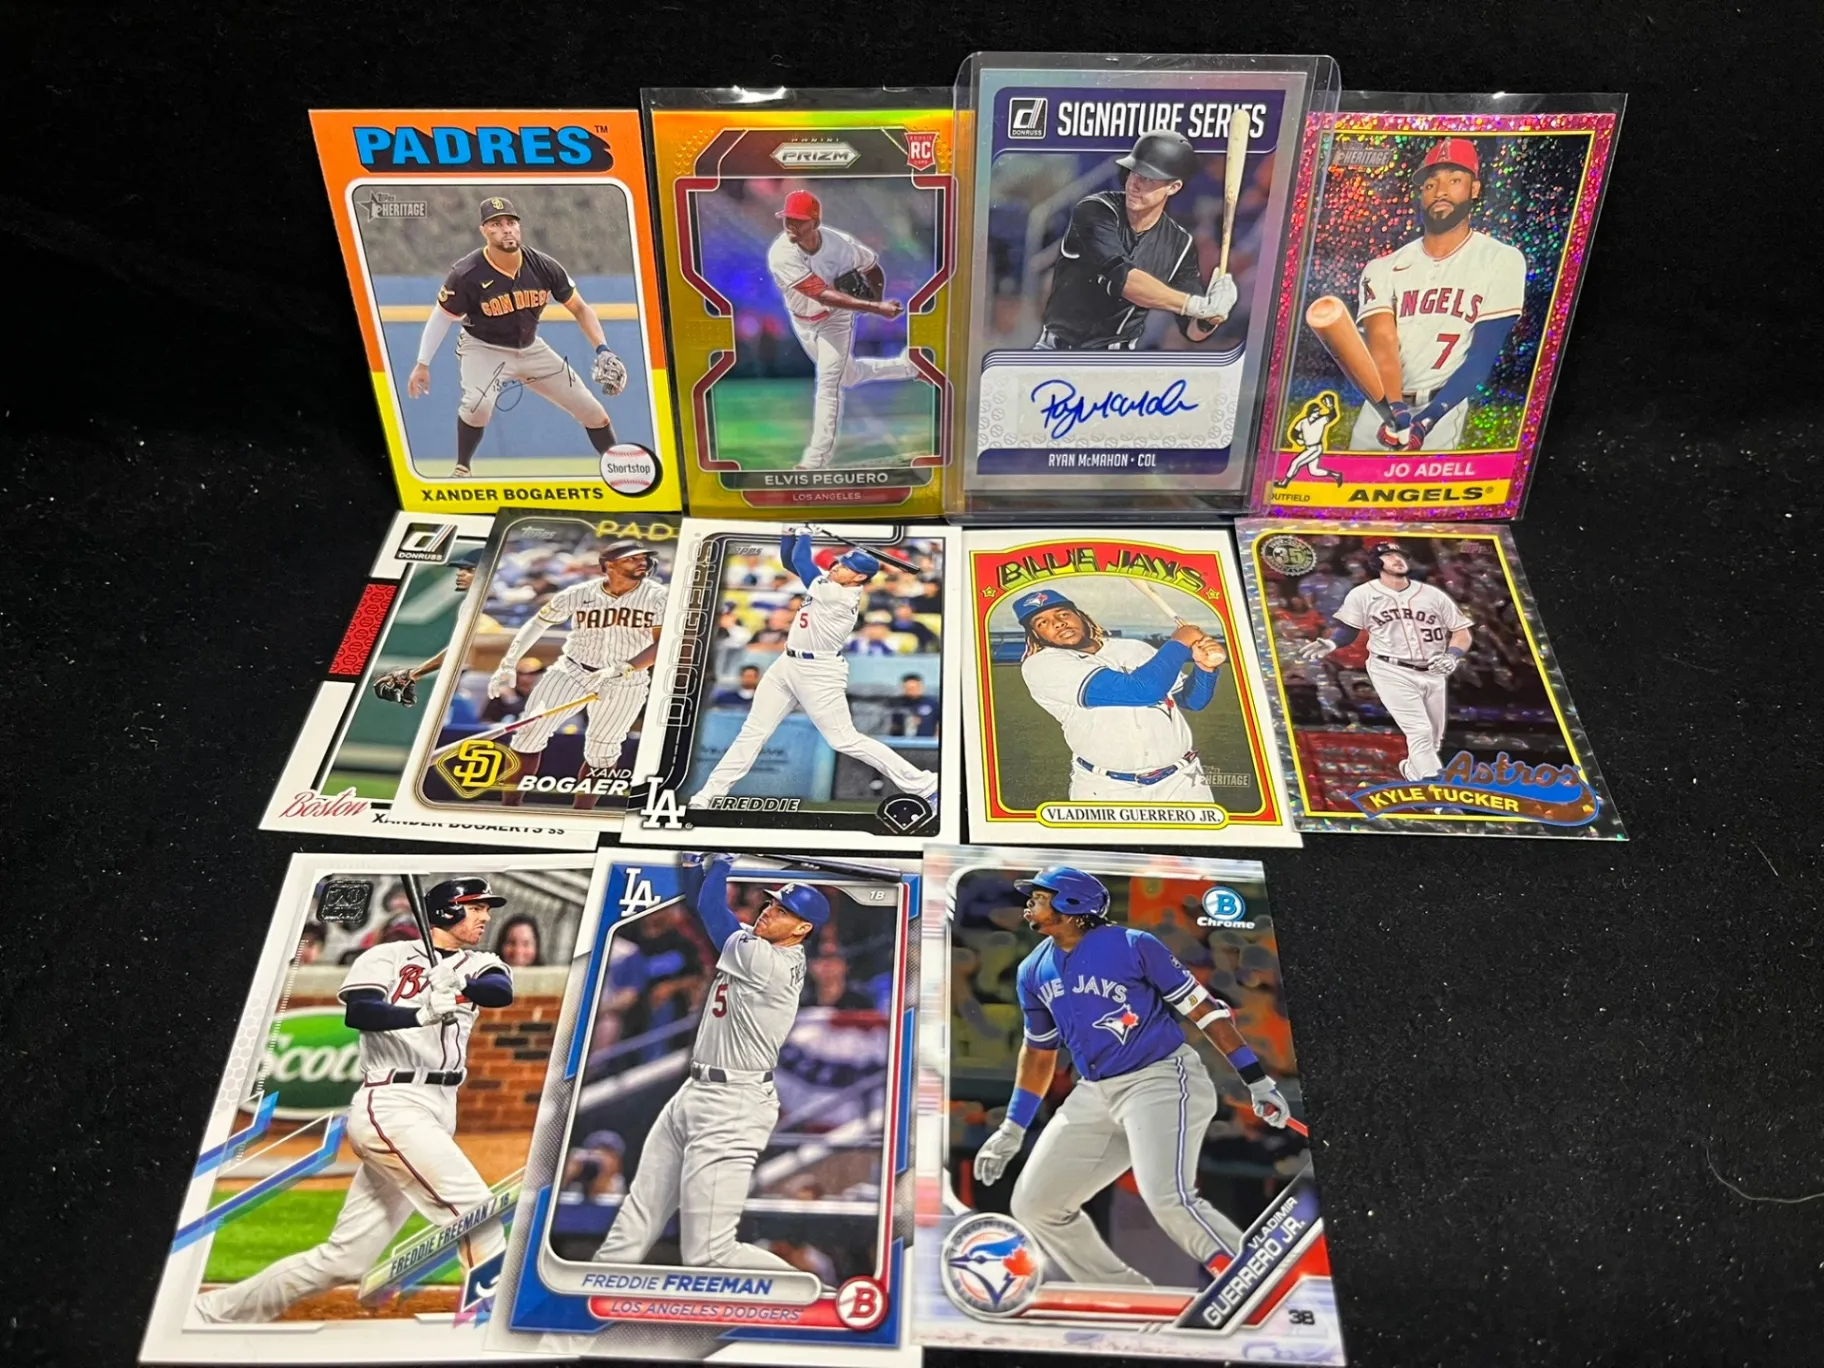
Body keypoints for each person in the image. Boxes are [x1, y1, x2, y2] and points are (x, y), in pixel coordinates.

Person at [196, 879, 515, 1320]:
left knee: (344, 1260)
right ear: (447, 910)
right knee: (478, 1214)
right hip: (392, 1102)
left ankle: (215, 1310)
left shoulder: (481, 962)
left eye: (486, 909)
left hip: (440, 1105)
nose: (485, 917)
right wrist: (422, 1012)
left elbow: (500, 992)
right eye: (475, 907)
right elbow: (361, 1011)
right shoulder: (386, 956)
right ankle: (490, 1322)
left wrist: (460, 981)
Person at [971, 867, 1290, 1285]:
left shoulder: (1133, 944)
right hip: (1095, 1092)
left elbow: (1206, 1011)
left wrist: (1257, 1080)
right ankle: (1124, 1295)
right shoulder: (1032, 969)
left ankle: (1259, 1282)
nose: (1030, 902)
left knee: (1169, 1198)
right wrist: (1012, 1128)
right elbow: (1037, 1051)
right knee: (1036, 1205)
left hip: (1160, 1078)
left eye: (1041, 896)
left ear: (1071, 904)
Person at [592, 854, 827, 1270]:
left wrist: (720, 863)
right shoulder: (759, 945)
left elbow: (712, 911)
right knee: (639, 1213)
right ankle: (585, 1300)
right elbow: (699, 907)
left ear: (802, 929)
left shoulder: (771, 962)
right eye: (771, 903)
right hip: (698, 1089)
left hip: (733, 1104)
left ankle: (811, 1292)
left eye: (782, 911)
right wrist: (691, 864)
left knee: (708, 1252)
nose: (768, 911)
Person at [689, 531, 939, 814]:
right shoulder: (831, 582)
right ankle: (708, 795)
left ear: (858, 578)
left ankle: (925, 785)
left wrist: (805, 534)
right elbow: (789, 562)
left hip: (819, 671)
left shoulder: (841, 596)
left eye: (845, 567)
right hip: (786, 663)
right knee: (752, 733)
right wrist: (788, 534)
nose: (836, 567)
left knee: (844, 740)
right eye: (839, 563)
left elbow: (802, 562)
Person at [406, 196, 630, 477]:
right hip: (483, 348)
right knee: (477, 405)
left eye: (511, 222)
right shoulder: (467, 273)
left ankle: (619, 471)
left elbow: (580, 308)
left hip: (530, 348)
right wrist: (423, 362)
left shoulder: (543, 266)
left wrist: (603, 349)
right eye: (496, 224)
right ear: (483, 231)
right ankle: (462, 469)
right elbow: (442, 316)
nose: (506, 229)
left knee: (593, 411)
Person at [1344, 138, 1526, 451]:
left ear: (1475, 189)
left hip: (1442, 409)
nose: (1440, 191)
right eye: (1430, 184)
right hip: (1381, 407)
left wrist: (1427, 420)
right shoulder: (1383, 267)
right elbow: (1383, 342)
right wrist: (1395, 409)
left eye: (1454, 180)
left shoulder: (1501, 259)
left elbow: (1482, 356)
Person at [489, 539, 667, 809]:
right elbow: (537, 623)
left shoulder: (658, 596)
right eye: (632, 558)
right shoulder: (579, 593)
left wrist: (625, 668)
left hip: (627, 678)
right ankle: (509, 806)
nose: (642, 562)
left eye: (643, 557)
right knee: (529, 732)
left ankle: (582, 813)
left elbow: (663, 643)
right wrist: (509, 660)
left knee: (603, 750)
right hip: (573, 670)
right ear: (609, 565)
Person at [1015, 588, 1225, 802]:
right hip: (1107, 788)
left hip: (1181, 782)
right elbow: (1142, 691)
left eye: (1063, 614)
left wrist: (1205, 668)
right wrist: (1181, 640)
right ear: (1036, 635)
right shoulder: (1042, 666)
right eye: (1042, 623)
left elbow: (1191, 701)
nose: (1058, 623)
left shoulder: (1134, 648)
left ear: (1081, 616)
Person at [1035, 130, 1237, 350]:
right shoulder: (1095, 211)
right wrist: (1195, 304)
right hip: (1060, 353)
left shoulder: (1180, 244)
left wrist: (1213, 315)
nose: (1134, 184)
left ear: (1173, 187)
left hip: (1119, 359)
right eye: (1134, 173)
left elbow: (1192, 330)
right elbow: (1126, 281)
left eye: (1148, 178)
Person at [766, 189, 919, 471]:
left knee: (828, 382)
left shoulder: (841, 245)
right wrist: (876, 307)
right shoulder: (781, 253)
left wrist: (875, 298)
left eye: (798, 220)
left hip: (836, 320)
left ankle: (815, 458)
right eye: (787, 218)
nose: (790, 225)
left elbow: (872, 268)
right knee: (847, 376)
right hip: (803, 320)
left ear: (815, 221)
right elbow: (821, 293)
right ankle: (908, 366)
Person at [1293, 541, 1472, 780]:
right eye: (1389, 556)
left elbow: (1462, 632)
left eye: (1401, 555)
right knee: (1419, 730)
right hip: (1390, 668)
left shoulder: (1432, 594)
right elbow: (1348, 630)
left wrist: (1453, 655)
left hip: (1433, 671)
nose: (1398, 560)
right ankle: (1435, 789)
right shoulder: (1362, 594)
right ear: (1376, 563)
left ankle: (1411, 771)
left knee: (1433, 739)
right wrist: (1332, 643)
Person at [891, 673, 940, 739]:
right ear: (903, 688)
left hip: (926, 742)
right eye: (909, 688)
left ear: (921, 687)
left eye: (914, 688)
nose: (912, 691)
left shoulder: (933, 704)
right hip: (897, 741)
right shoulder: (894, 704)